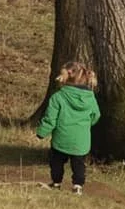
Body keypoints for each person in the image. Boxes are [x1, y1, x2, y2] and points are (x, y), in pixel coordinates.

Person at [35, 63, 101, 194]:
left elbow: (50, 118)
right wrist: (87, 125)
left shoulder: (58, 97)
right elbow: (96, 115)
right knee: (79, 164)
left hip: (61, 138)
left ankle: (56, 182)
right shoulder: (90, 98)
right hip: (81, 140)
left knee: (56, 162)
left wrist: (41, 132)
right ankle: (78, 186)